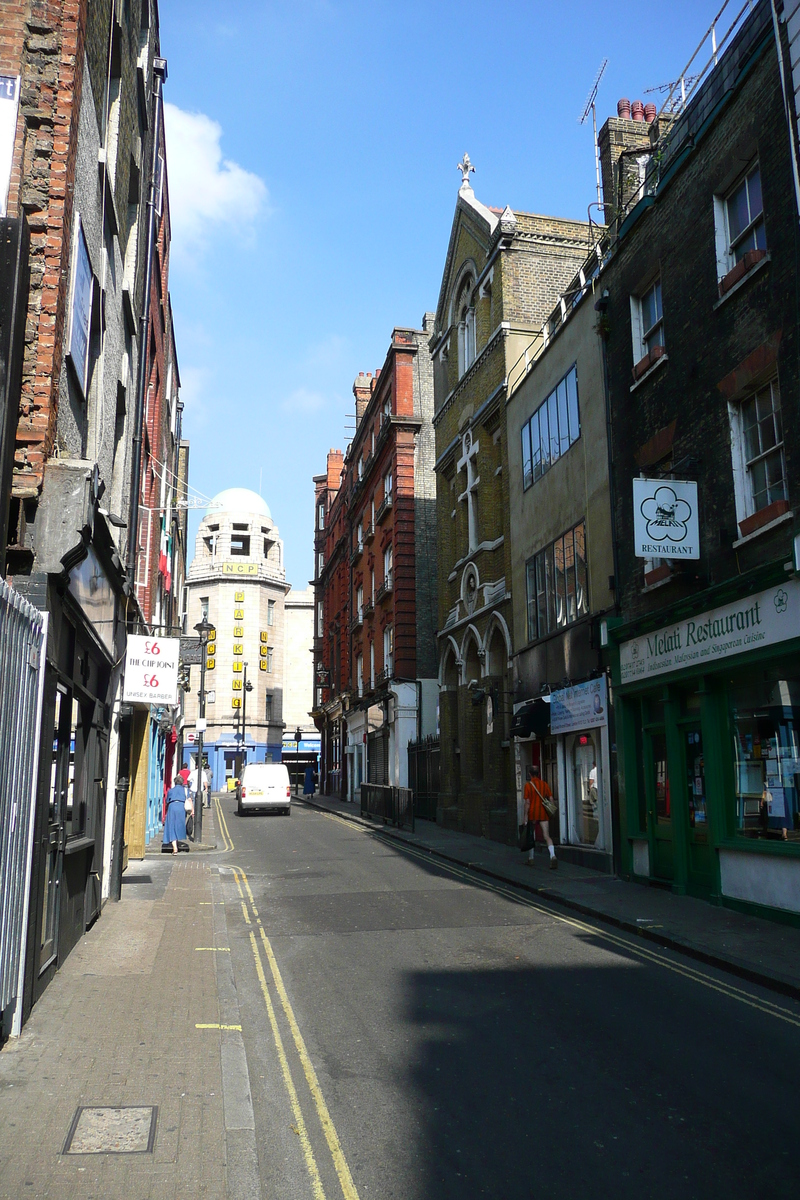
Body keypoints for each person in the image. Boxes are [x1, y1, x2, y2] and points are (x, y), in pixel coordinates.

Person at [524, 763, 557, 869]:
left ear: (529, 774)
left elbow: (527, 802)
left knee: (531, 836)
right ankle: (552, 856)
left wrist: (525, 816)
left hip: (533, 813)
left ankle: (531, 859)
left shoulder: (528, 786)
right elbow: (551, 799)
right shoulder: (544, 784)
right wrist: (551, 809)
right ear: (538, 774)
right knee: (546, 836)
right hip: (543, 813)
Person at [164, 772, 190, 855]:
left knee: (171, 825)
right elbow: (189, 800)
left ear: (175, 782)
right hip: (181, 807)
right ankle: (176, 843)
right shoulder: (186, 790)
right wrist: (192, 811)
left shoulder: (171, 790)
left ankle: (175, 848)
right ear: (182, 782)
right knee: (179, 824)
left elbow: (167, 800)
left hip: (172, 806)